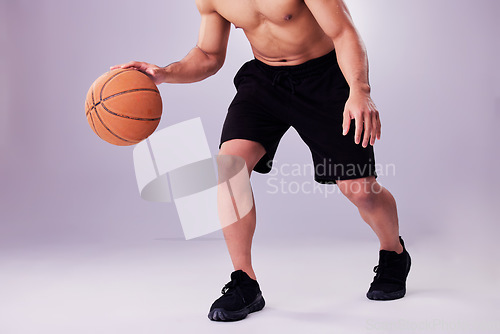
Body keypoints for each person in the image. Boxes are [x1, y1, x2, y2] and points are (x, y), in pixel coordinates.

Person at [112, 0, 411, 322]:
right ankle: (244, 281)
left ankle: (393, 252)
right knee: (229, 169)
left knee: (360, 190)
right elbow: (209, 55)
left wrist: (360, 90)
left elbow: (343, 32)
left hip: (325, 79)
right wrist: (164, 72)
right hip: (264, 83)